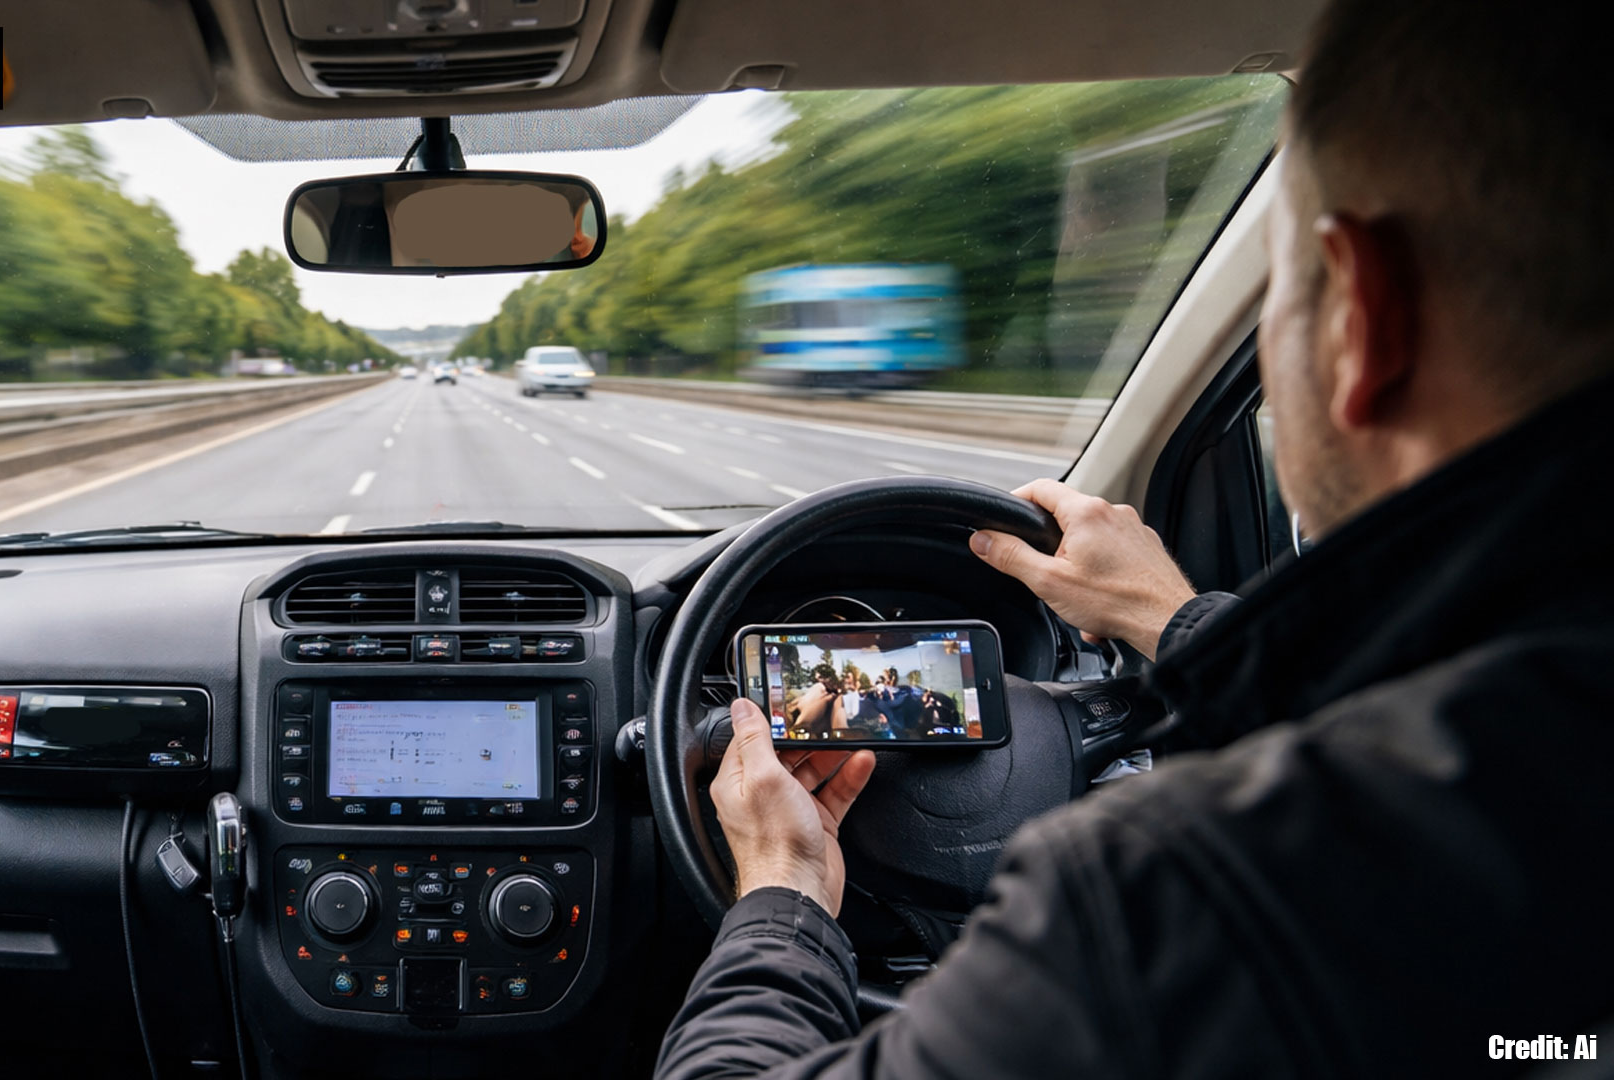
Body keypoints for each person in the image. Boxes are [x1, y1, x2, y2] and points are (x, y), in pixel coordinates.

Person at [655, 0, 1614, 1076]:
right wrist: (1174, 619)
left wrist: (784, 886)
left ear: (1363, 317)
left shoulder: (1173, 905)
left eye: (1280, 298)